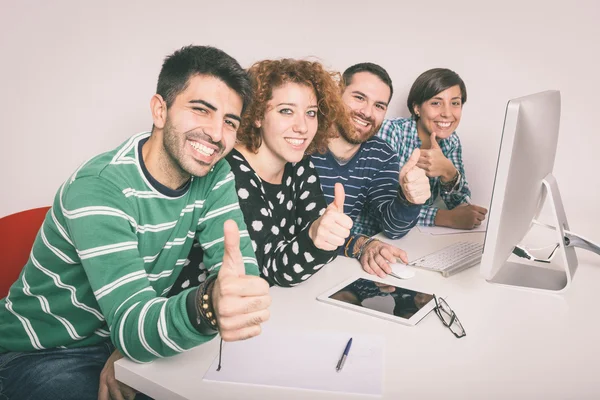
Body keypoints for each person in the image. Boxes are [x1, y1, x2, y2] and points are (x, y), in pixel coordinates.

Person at [0, 45, 271, 400]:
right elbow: (140, 323)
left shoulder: (215, 173)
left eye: (229, 122)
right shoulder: (98, 188)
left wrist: (235, 295)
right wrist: (208, 304)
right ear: (160, 110)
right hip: (41, 351)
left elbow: (237, 273)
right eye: (201, 110)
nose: (217, 134)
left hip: (121, 338)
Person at [171, 59, 354, 290]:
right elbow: (273, 269)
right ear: (257, 115)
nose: (303, 127)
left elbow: (314, 243)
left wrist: (324, 235)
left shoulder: (299, 164)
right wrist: (316, 238)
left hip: (270, 304)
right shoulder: (230, 171)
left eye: (311, 113)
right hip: (204, 312)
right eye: (286, 111)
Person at [311, 63, 431, 279]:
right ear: (337, 94)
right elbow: (301, 230)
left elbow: (393, 228)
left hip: (333, 271)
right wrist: (360, 245)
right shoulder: (302, 141)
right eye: (359, 97)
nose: (367, 112)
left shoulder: (381, 154)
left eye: (379, 106)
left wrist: (409, 199)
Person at [375, 68, 488, 229]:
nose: (447, 113)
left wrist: (449, 173)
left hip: (414, 236)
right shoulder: (391, 131)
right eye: (436, 103)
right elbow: (381, 207)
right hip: (376, 236)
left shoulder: (451, 141)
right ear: (417, 108)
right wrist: (445, 217)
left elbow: (460, 203)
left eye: (455, 103)